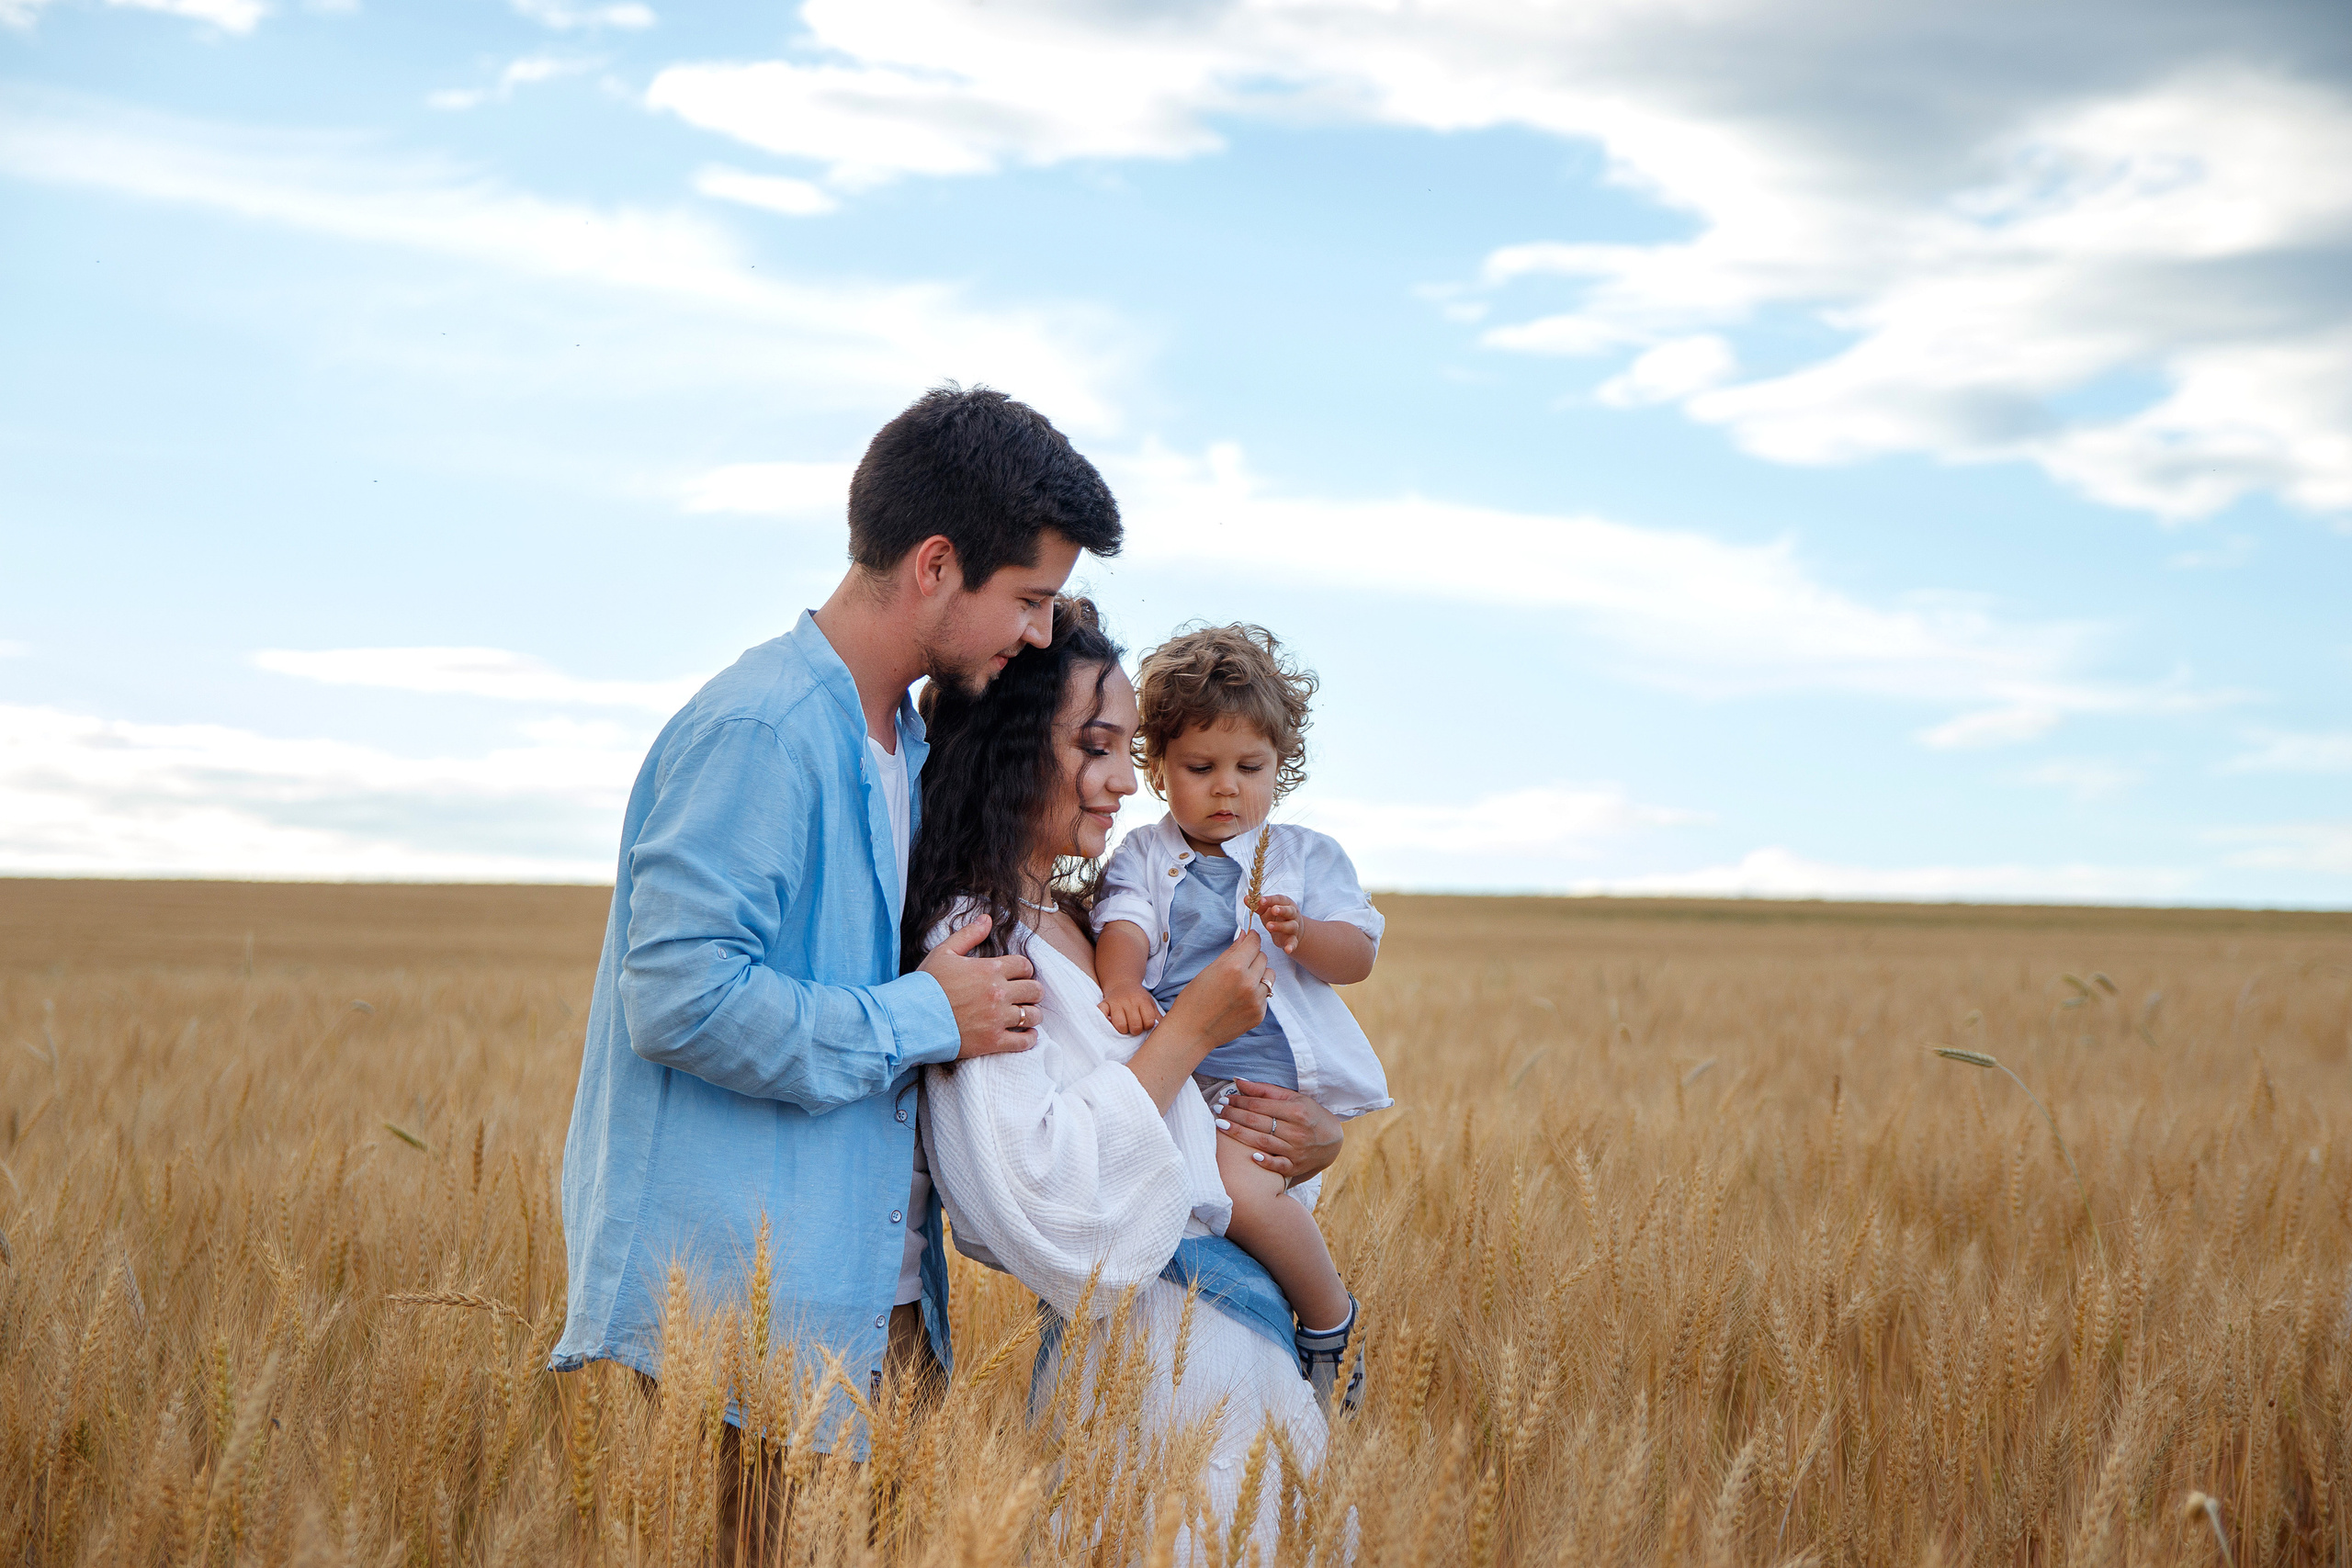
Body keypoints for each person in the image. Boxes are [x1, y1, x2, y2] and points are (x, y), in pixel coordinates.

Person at [550, 386, 1122, 1462]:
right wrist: (920, 1014)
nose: (1042, 631)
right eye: (1030, 597)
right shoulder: (761, 730)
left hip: (873, 1318)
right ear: (936, 565)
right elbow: (678, 1000)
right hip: (719, 1339)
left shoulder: (906, 747)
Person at [905, 597, 1351, 1552]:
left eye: (1125, 749)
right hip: (1148, 1380)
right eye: (1096, 748)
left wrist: (1315, 1135)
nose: (1122, 784)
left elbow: (1202, 1121)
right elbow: (1037, 1196)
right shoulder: (974, 940)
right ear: (1013, 747)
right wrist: (1187, 1031)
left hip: (1231, 1354)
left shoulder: (1077, 917)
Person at [1092, 623, 1390, 1407]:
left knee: (1240, 1188)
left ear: (1281, 765)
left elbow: (1358, 952)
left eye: (1250, 767)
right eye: (1201, 767)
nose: (1227, 787)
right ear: (1156, 767)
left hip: (1266, 1085)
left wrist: (1306, 936)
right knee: (1200, 1197)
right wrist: (1122, 981)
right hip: (1186, 1070)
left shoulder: (1303, 856)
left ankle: (1330, 1319)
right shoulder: (1144, 856)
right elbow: (1123, 923)